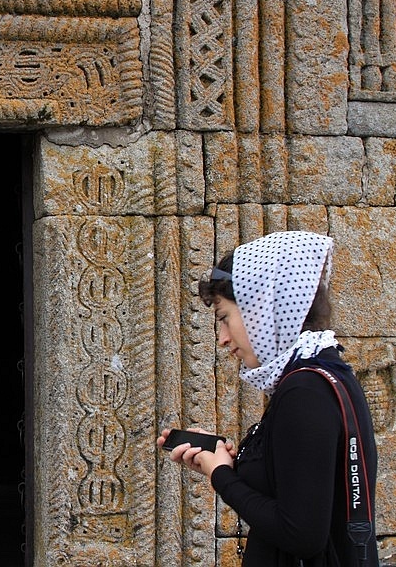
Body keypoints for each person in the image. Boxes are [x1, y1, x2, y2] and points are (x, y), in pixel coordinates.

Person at [157, 230, 378, 566]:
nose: (223, 338)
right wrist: (225, 462)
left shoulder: (304, 392)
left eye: (225, 318)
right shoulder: (325, 374)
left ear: (262, 307)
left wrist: (223, 477)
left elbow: (301, 534)